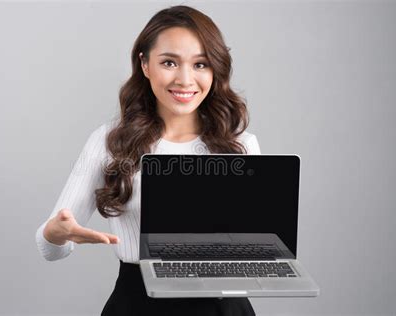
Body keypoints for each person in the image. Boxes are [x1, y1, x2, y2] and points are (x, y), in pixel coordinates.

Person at [36, 5, 260, 316]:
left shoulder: (241, 147)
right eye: (169, 62)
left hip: (223, 306)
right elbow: (49, 248)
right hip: (138, 304)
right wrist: (56, 233)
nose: (185, 79)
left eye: (200, 64)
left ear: (215, 70)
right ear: (145, 65)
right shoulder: (108, 141)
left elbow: (251, 245)